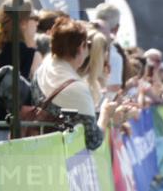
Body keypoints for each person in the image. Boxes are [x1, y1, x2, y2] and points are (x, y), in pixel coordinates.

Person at [33, 17, 112, 150]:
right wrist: (106, 114)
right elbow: (94, 140)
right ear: (81, 47)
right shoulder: (78, 88)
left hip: (36, 148)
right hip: (59, 159)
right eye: (86, 44)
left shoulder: (42, 69)